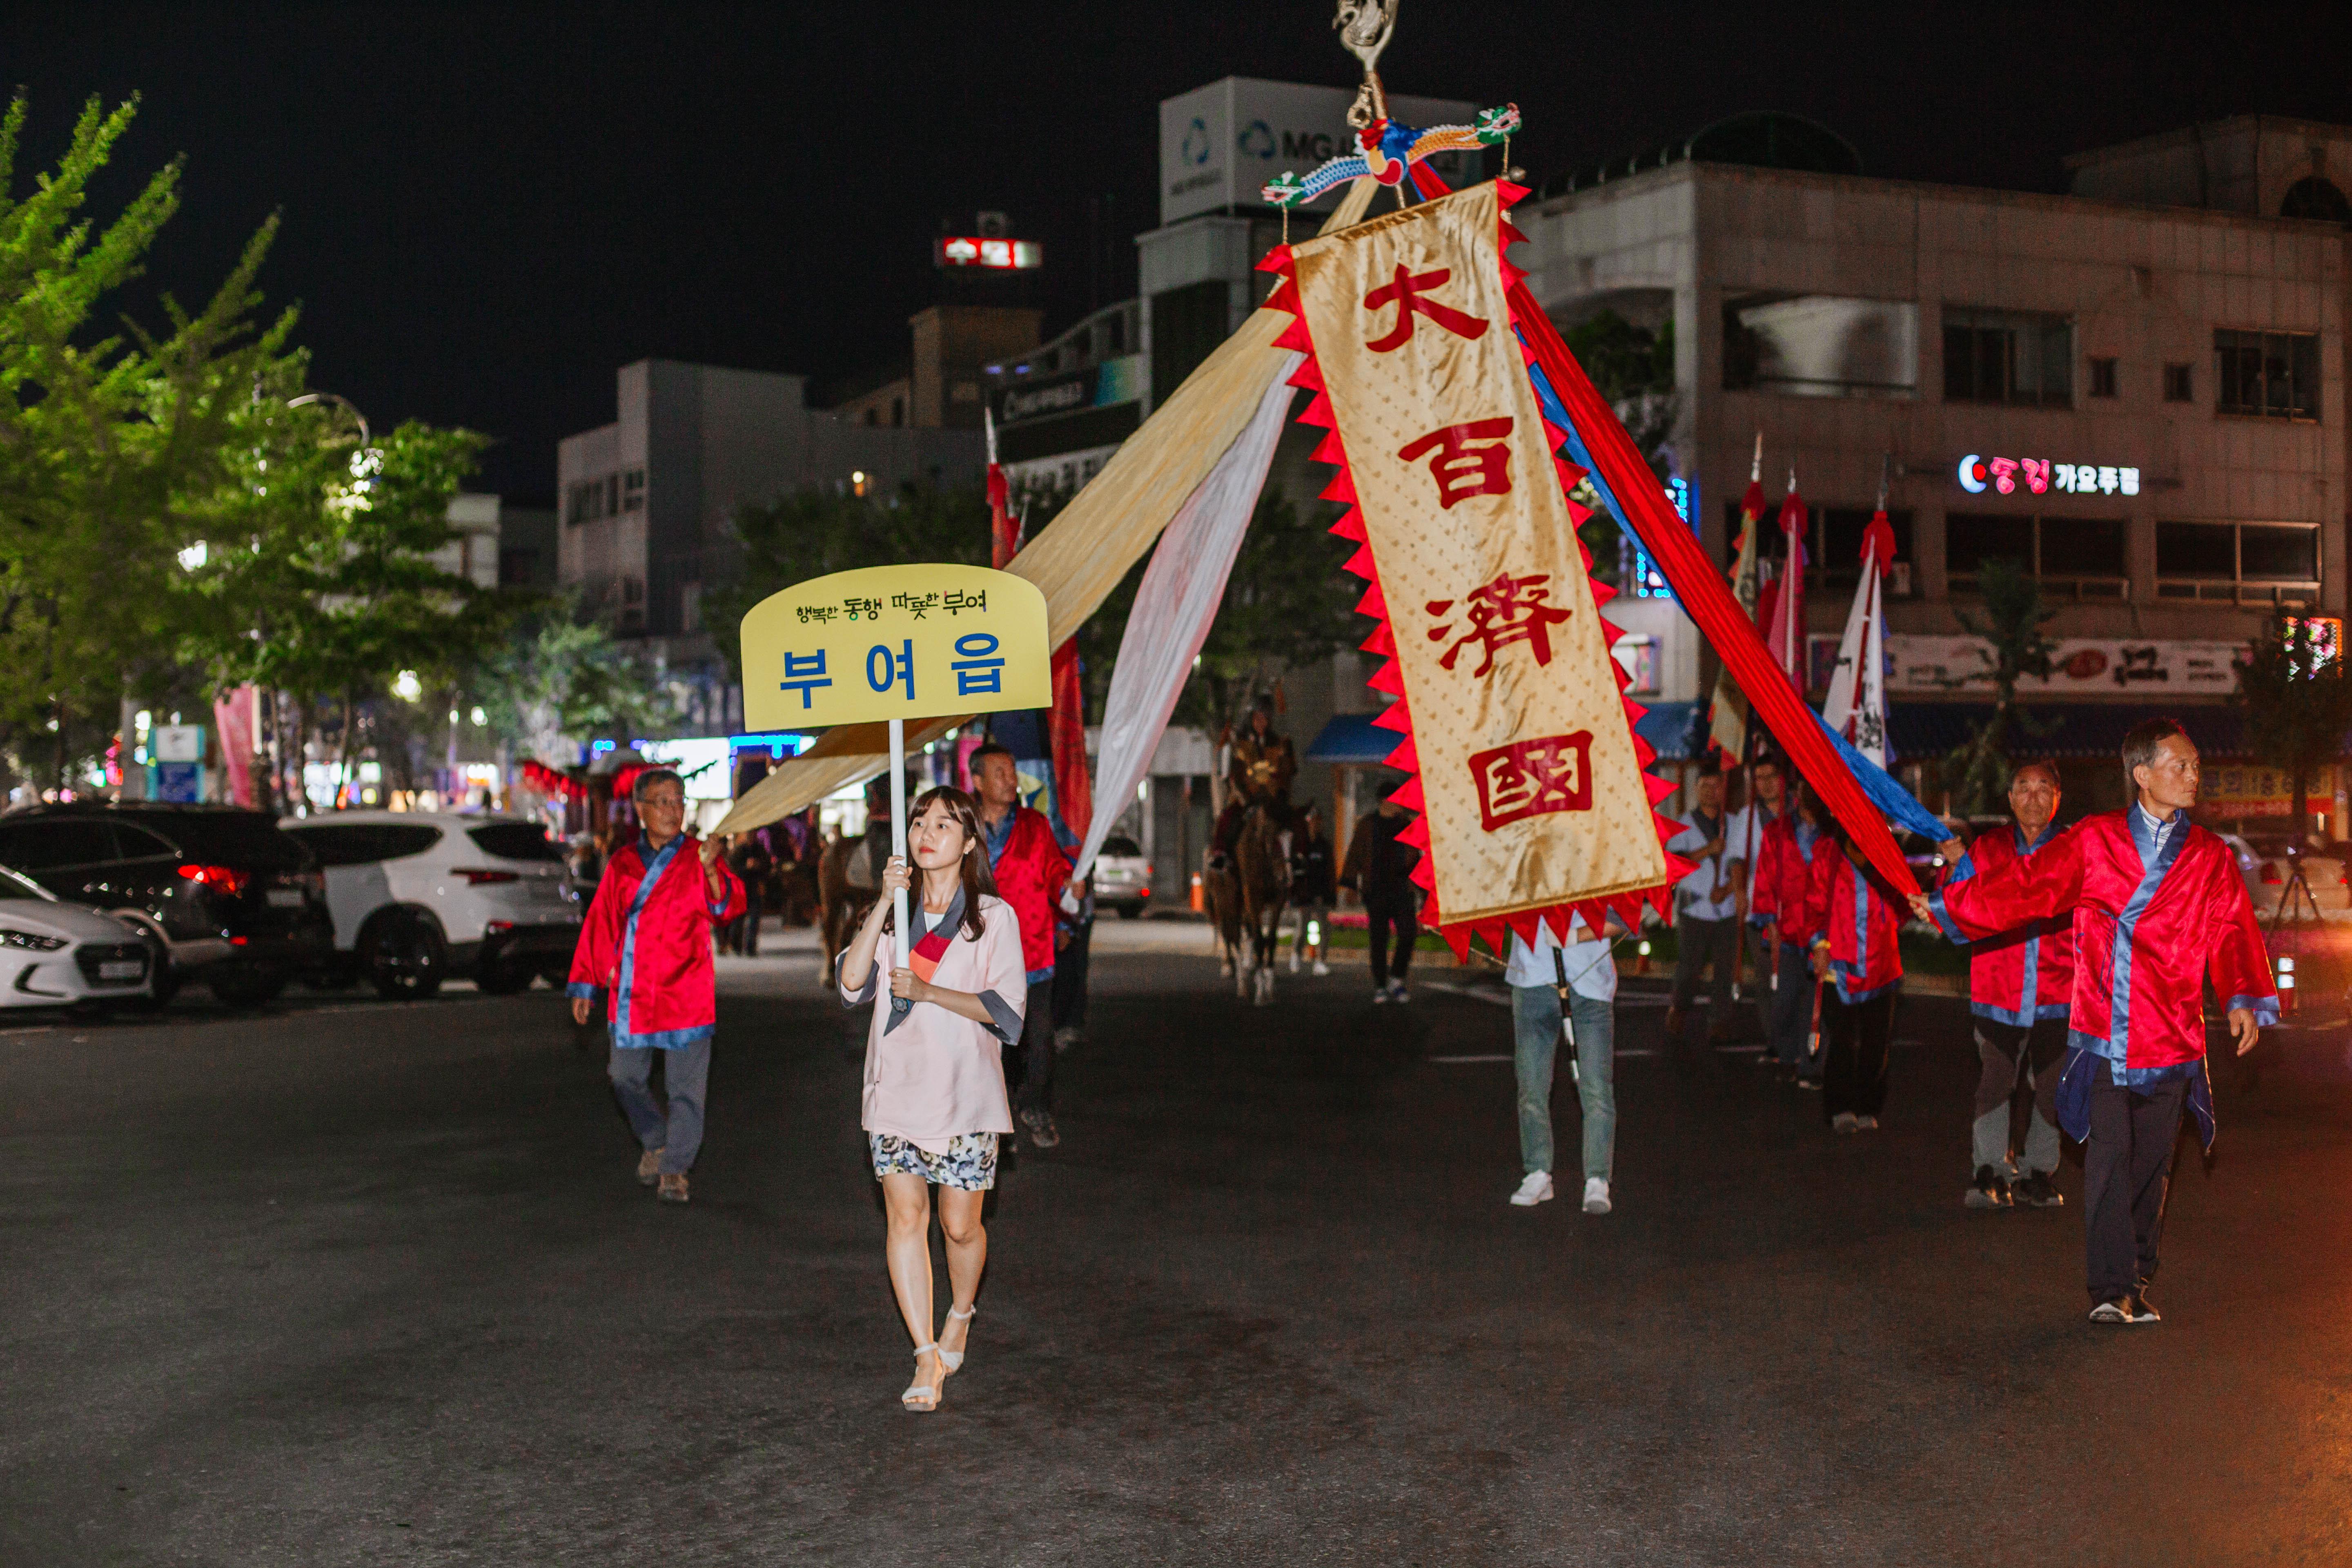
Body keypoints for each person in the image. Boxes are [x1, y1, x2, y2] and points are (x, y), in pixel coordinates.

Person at [1915, 719, 2276, 1324]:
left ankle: (2136, 1270)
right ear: (2142, 775)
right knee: (2110, 1159)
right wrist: (1953, 905)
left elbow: (2233, 929)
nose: (2194, 776)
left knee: (2152, 1166)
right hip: (2106, 1034)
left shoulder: (2210, 856)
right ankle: (2111, 1290)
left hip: (2175, 1037)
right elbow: (2027, 888)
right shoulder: (2094, 840)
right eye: (2180, 765)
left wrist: (2242, 998)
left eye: (2194, 767)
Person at [836, 786, 1026, 1412]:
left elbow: (1007, 1014)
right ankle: (923, 1354)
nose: (927, 831)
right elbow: (852, 981)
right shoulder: (894, 910)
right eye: (920, 821)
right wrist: (878, 910)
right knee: (905, 1221)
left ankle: (962, 1311)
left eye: (945, 823)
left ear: (969, 842)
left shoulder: (993, 918)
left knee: (959, 1226)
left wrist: (929, 990)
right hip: (894, 1090)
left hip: (966, 1099)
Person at [567, 768, 746, 1204]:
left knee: (686, 1090)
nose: (673, 809)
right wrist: (586, 985)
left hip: (687, 991)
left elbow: (727, 907)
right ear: (642, 810)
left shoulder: (700, 856)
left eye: (679, 800)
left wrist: (711, 871)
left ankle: (675, 1168)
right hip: (634, 994)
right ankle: (656, 1139)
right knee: (623, 1077)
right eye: (663, 801)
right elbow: (601, 924)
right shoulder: (624, 863)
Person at [1940, 762, 2073, 1210]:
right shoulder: (1987, 850)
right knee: (1996, 1081)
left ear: (2058, 797)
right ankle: (1991, 1170)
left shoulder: (2076, 850)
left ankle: (2038, 1171)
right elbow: (1956, 911)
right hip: (2000, 991)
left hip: (2061, 992)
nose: (2033, 798)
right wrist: (1956, 870)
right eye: (2023, 788)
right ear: (2010, 798)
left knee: (2053, 1086)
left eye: (2043, 789)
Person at [970, 743, 1079, 1150]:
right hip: (979, 957)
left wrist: (1069, 887)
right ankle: (995, 1121)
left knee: (1039, 1037)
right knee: (988, 1042)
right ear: (978, 781)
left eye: (1013, 772)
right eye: (1001, 773)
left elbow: (1054, 870)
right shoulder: (962, 826)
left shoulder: (1035, 824)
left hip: (1032, 951)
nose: (1012, 780)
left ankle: (1035, 1107)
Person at [1504, 912, 1621, 1214]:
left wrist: (1572, 937)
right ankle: (1537, 1173)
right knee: (1532, 1085)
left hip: (1590, 985)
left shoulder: (1601, 864)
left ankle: (1597, 1179)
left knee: (1596, 1087)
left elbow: (1624, 919)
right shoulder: (1522, 865)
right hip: (1531, 981)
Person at [1803, 813, 1904, 1131]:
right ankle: (1839, 1106)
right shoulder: (1827, 854)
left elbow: (1905, 902)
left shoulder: (1887, 857)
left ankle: (1868, 1105)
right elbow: (1812, 906)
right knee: (1843, 1040)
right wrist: (1818, 944)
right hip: (1840, 965)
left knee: (1877, 1042)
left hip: (1882, 965)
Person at [1749, 777, 1827, 1085]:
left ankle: (1810, 1065)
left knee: (1815, 1002)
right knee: (1785, 999)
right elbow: (1766, 875)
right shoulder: (1777, 832)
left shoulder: (1832, 835)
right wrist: (1770, 921)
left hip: (1822, 929)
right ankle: (1786, 1052)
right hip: (1787, 928)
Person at [1664, 768, 1739, 1042]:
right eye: (1705, 786)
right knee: (1690, 968)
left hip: (1727, 907)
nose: (1710, 791)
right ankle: (1679, 1007)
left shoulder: (1735, 823)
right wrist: (1708, 850)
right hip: (1694, 907)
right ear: (1696, 789)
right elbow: (1674, 864)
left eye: (1715, 786)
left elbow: (1744, 862)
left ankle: (1719, 1019)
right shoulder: (1683, 824)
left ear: (1723, 790)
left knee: (1724, 968)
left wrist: (1730, 888)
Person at [1340, 791, 1422, 1003]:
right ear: (1384, 801)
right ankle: (1381, 985)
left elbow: (1417, 860)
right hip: (1375, 890)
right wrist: (1350, 885)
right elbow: (1355, 854)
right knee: (1379, 938)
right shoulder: (1368, 825)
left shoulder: (1406, 824)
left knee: (1408, 932)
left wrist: (1425, 891)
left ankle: (1396, 978)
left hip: (1402, 890)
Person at [1288, 802, 1335, 975]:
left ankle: (1321, 961)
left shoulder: (1325, 846)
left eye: (1318, 821)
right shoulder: (1301, 846)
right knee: (1302, 927)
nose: (1316, 825)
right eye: (1313, 821)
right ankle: (1296, 955)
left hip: (1321, 895)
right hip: (1304, 895)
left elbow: (1330, 871)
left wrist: (1331, 896)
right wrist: (1296, 896)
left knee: (1324, 928)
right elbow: (1294, 873)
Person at [724, 831, 774, 956]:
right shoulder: (739, 851)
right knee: (738, 920)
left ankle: (751, 947)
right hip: (741, 889)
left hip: (755, 888)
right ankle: (736, 946)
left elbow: (767, 866)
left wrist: (758, 867)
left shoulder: (760, 850)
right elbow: (732, 869)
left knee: (754, 919)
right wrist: (745, 867)